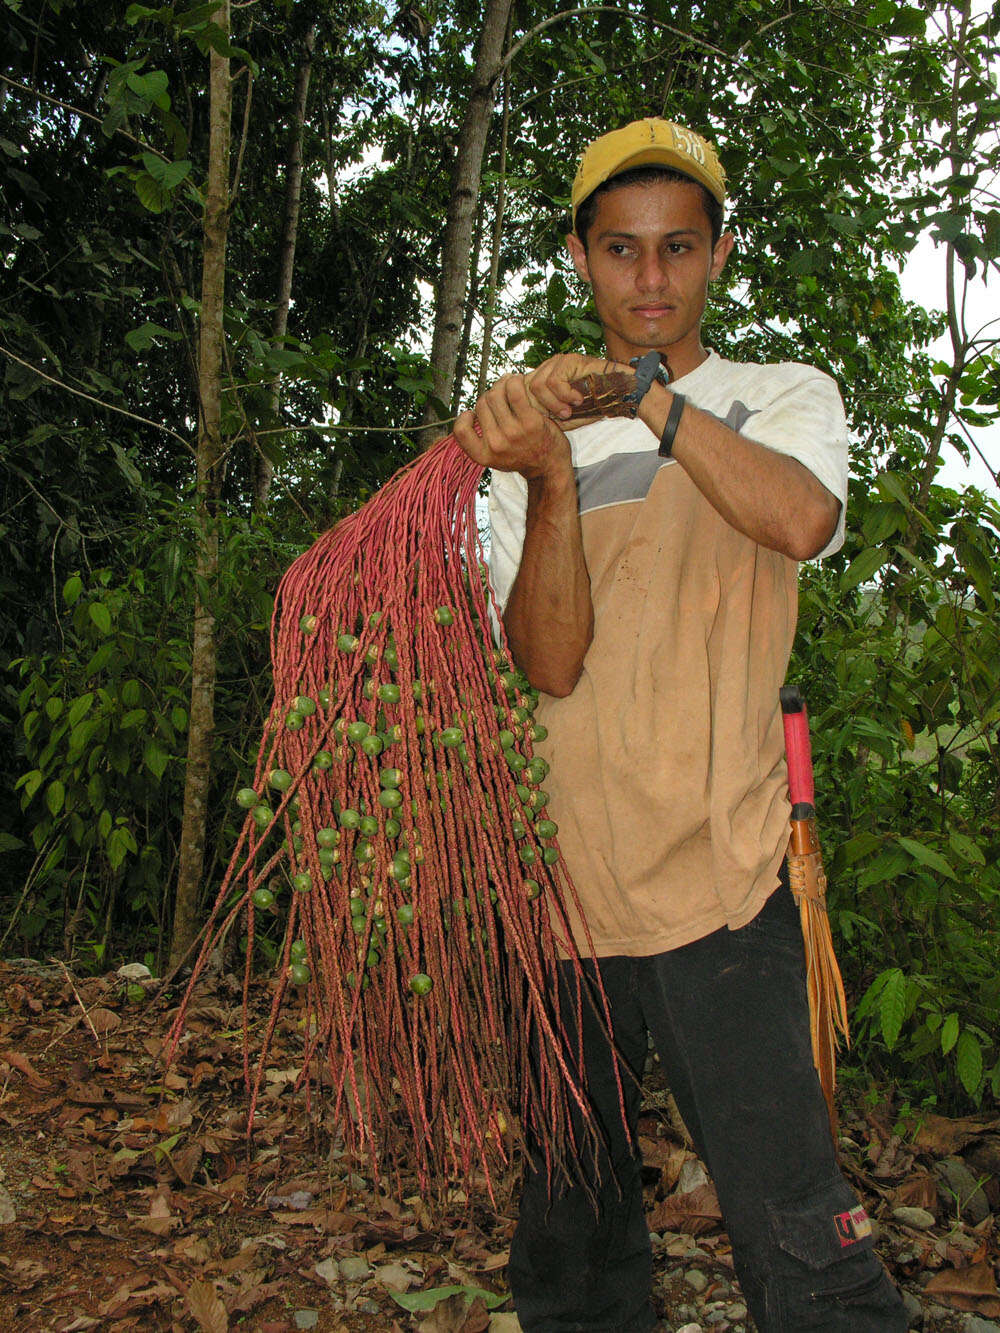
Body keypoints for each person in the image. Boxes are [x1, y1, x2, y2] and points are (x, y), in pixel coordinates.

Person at [452, 118, 907, 1333]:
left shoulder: (776, 397)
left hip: (724, 880)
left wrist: (651, 404)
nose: (648, 280)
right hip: (563, 896)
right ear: (579, 257)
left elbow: (800, 520)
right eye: (620, 250)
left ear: (714, 257)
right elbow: (547, 664)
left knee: (800, 1238)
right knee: (572, 1253)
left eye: (676, 249)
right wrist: (549, 473)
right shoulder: (523, 448)